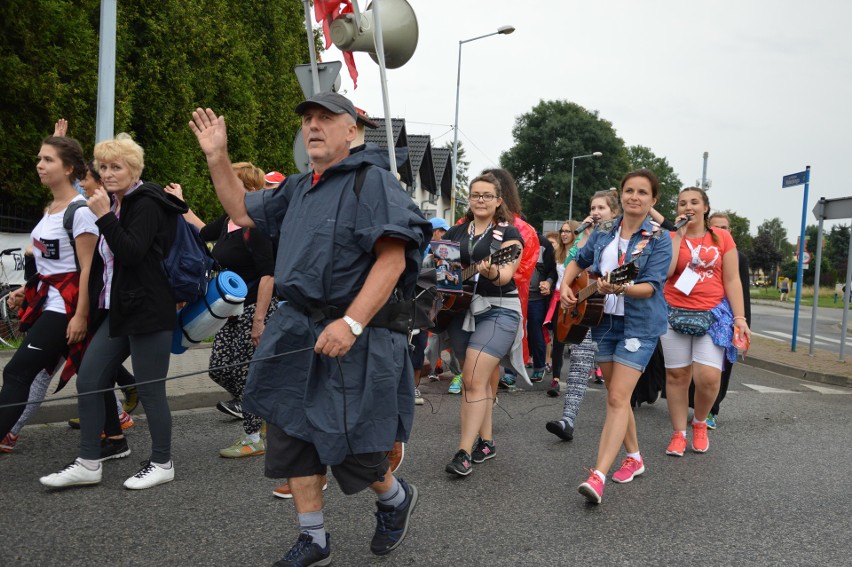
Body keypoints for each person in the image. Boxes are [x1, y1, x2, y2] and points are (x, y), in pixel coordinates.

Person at [189, 92, 430, 566]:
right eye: (307, 119)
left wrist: (351, 323)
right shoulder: (297, 188)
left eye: (326, 118)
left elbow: (392, 260)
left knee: (353, 446)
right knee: (291, 432)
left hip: (354, 335)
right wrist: (217, 157)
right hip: (296, 329)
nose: (313, 126)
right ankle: (313, 537)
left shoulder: (373, 182)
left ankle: (395, 498)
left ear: (351, 130)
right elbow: (239, 211)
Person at [40, 133, 188, 490]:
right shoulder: (119, 203)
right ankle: (89, 462)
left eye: (116, 166)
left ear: (133, 169)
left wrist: (105, 216)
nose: (107, 173)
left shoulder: (145, 202)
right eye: (103, 166)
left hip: (150, 310)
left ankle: (162, 462)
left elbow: (133, 253)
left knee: (151, 390)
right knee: (90, 379)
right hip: (121, 310)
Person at [561, 169, 672, 504]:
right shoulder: (606, 229)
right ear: (621, 195)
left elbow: (651, 286)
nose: (634, 197)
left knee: (616, 398)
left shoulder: (659, 237)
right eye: (628, 191)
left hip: (639, 326)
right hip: (603, 320)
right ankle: (635, 456)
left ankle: (597, 476)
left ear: (653, 200)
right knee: (616, 397)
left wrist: (621, 286)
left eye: (642, 192)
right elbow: (578, 260)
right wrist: (567, 284)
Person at [165, 162, 277, 458]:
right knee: (219, 368)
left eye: (230, 183)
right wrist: (181, 203)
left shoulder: (256, 226)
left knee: (245, 371)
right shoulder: (229, 219)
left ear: (249, 190)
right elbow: (202, 231)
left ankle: (254, 436)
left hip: (256, 308)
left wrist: (259, 320)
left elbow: (269, 275)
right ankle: (263, 413)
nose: (222, 189)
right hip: (230, 309)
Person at [0, 136, 98, 447]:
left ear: (69, 168)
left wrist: (81, 316)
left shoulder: (79, 212)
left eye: (48, 160)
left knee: (17, 372)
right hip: (47, 303)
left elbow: (87, 270)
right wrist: (26, 290)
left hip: (65, 309)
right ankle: (115, 434)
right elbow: (48, 266)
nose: (39, 165)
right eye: (40, 158)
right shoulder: (52, 209)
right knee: (88, 374)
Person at [442, 172, 525, 477]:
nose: (480, 200)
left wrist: (490, 272)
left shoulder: (509, 235)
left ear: (499, 200)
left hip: (499, 309)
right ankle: (487, 443)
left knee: (473, 377)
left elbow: (504, 276)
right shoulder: (456, 231)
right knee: (476, 380)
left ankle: (463, 452)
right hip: (461, 310)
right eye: (475, 194)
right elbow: (443, 270)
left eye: (487, 195)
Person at [661, 188, 751, 457]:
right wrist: (678, 234)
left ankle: (700, 422)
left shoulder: (721, 237)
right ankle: (679, 433)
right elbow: (666, 271)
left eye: (694, 202)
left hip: (713, 314)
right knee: (677, 376)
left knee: (709, 378)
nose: (687, 207)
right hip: (673, 311)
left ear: (705, 207)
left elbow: (732, 280)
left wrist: (740, 318)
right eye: (681, 203)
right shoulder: (670, 236)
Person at [547, 190, 621, 440]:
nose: (595, 213)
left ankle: (622, 427)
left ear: (614, 212)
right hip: (588, 310)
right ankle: (567, 420)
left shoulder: (623, 238)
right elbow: (571, 265)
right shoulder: (587, 239)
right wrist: (568, 287)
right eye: (592, 208)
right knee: (578, 365)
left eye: (601, 208)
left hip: (619, 313)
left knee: (618, 378)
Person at [480, 168, 539, 389]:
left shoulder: (523, 230)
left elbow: (523, 271)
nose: (482, 197)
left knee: (490, 356)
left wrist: (496, 273)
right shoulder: (465, 224)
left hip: (503, 300)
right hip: (470, 300)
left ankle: (489, 398)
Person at [698, 212, 752, 429]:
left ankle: (712, 410)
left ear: (730, 232)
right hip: (701, 315)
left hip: (728, 319)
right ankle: (697, 406)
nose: (721, 231)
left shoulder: (739, 257)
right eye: (716, 227)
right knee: (699, 368)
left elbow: (743, 293)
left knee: (722, 367)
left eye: (725, 227)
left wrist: (744, 322)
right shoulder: (698, 252)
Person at [526, 230, 557, 382]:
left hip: (536, 298)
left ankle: (539, 367)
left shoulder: (543, 243)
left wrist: (549, 282)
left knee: (536, 332)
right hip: (514, 295)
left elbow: (553, 269)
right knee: (513, 334)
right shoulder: (508, 240)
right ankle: (510, 373)